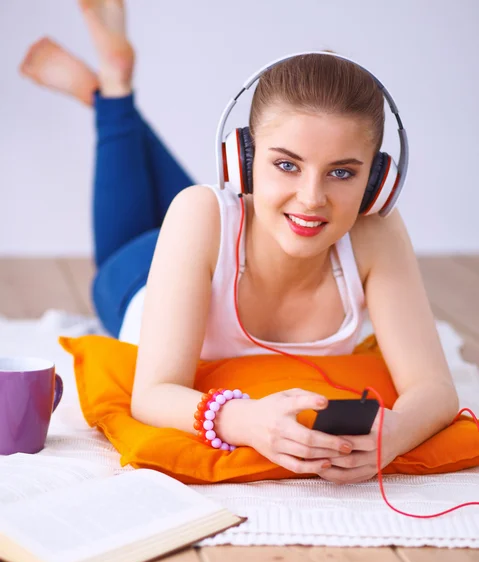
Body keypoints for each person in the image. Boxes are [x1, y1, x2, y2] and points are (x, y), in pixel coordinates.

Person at [20, 0, 459, 484]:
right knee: (183, 211)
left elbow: (435, 389)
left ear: (377, 182)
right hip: (139, 276)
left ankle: (111, 91)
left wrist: (393, 433)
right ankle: (114, 92)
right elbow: (152, 394)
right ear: (242, 162)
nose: (313, 198)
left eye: (341, 172)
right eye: (287, 164)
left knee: (216, 207)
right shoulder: (200, 214)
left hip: (236, 231)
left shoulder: (376, 231)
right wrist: (245, 421)